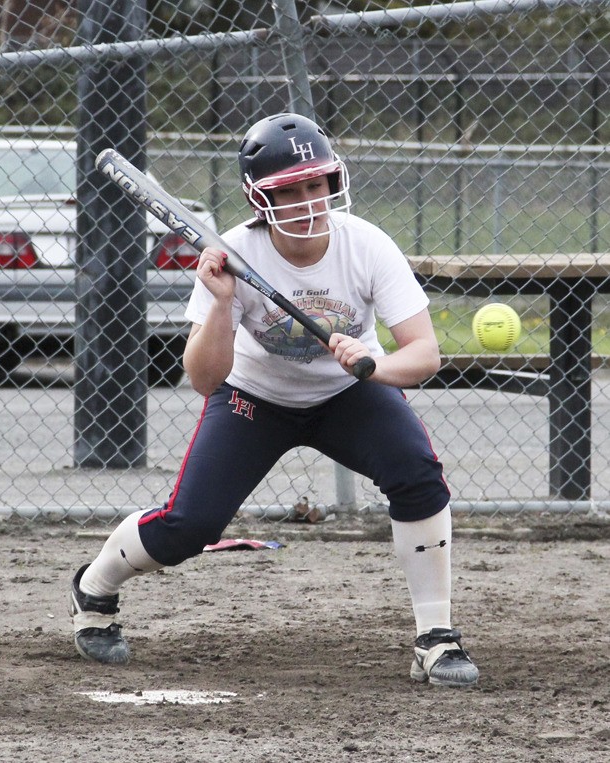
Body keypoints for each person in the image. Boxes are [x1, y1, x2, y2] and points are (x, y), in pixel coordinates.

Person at [69, 112, 479, 688]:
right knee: (190, 526)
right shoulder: (233, 254)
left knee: (417, 474)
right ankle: (95, 585)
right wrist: (220, 304)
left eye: (317, 185)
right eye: (290, 190)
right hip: (253, 397)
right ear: (260, 199)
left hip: (348, 392)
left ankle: (436, 637)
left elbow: (425, 354)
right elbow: (206, 379)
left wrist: (374, 365)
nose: (309, 202)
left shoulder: (365, 244)